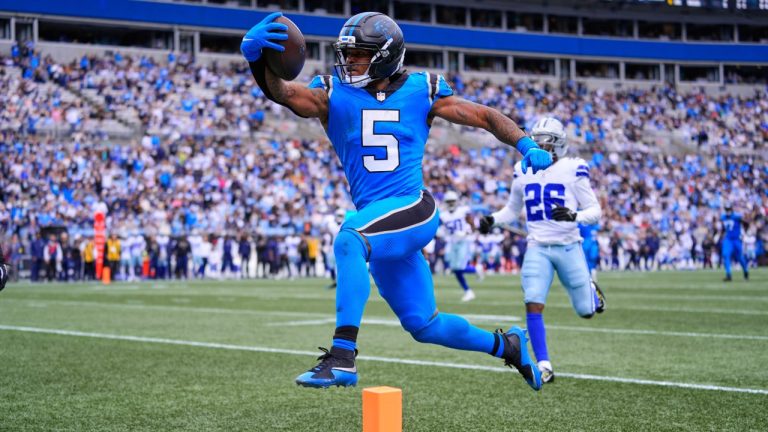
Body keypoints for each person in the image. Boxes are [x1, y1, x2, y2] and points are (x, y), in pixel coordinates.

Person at [242, 11, 552, 390]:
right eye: (347, 53)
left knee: (350, 238)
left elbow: (483, 116)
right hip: (380, 223)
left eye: (359, 54)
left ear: (385, 56)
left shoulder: (422, 89)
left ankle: (342, 357)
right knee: (424, 324)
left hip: (413, 207)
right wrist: (257, 61)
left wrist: (526, 143)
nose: (349, 61)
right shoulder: (332, 93)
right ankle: (507, 346)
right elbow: (285, 93)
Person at [479, 116, 605, 384]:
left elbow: (595, 210)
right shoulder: (522, 169)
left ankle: (592, 293)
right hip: (537, 246)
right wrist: (493, 220)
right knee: (533, 301)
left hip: (569, 246)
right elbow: (512, 210)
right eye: (536, 143)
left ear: (558, 145)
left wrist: (574, 216)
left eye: (546, 144)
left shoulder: (573, 167)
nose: (540, 149)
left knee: (586, 311)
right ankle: (544, 364)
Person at [440, 191, 483, 301]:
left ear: (457, 201)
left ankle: (476, 269)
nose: (450, 203)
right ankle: (468, 291)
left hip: (464, 241)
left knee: (460, 267)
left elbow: (473, 224)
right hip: (452, 242)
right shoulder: (443, 215)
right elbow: (441, 229)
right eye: (448, 201)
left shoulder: (463, 211)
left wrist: (467, 232)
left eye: (452, 201)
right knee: (455, 269)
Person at [720, 204, 749, 282]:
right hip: (728, 239)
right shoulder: (723, 217)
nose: (728, 211)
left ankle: (746, 271)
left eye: (729, 209)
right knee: (726, 255)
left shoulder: (737, 216)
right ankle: (728, 274)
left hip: (736, 239)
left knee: (739, 257)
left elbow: (746, 223)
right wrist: (721, 235)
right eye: (726, 209)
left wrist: (744, 233)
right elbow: (724, 228)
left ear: (731, 209)